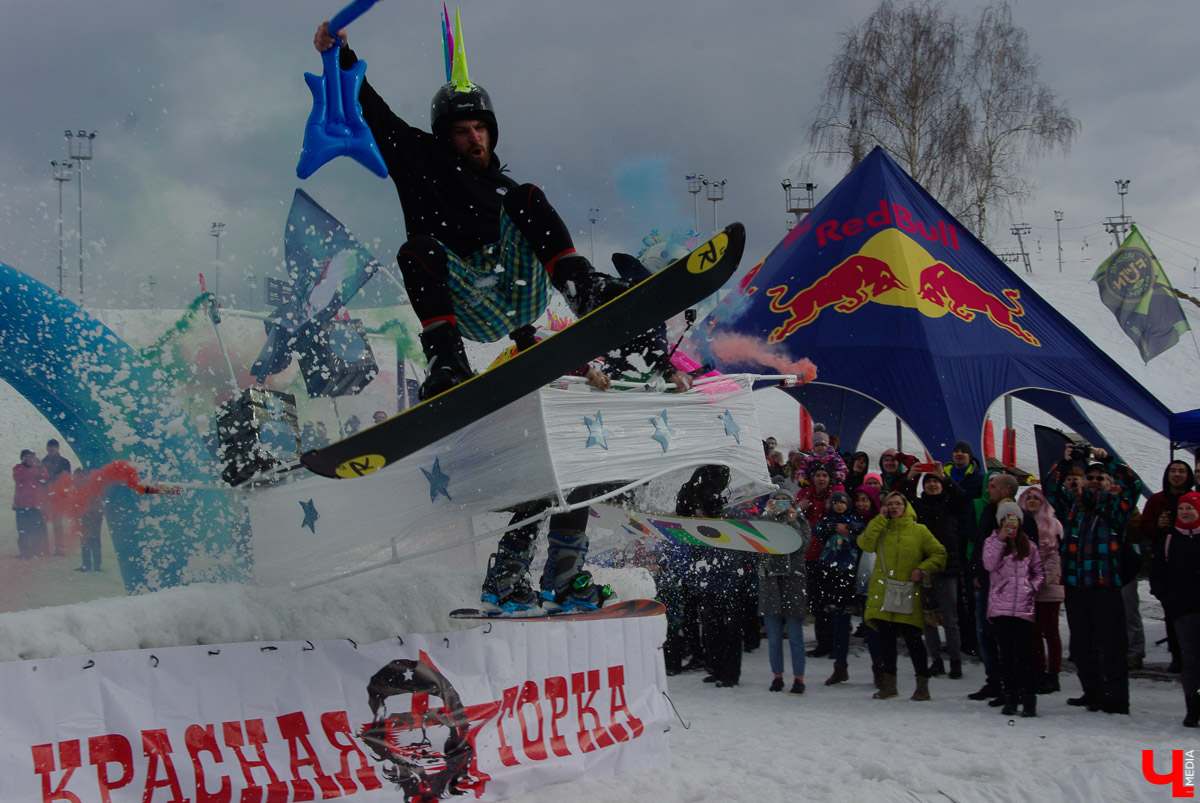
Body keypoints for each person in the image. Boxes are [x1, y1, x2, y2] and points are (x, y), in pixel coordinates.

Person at [312, 21, 690, 401]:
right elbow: (374, 112)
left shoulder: (505, 189)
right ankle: (448, 362)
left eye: (480, 128)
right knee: (417, 250)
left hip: (520, 285)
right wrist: (340, 53)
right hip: (470, 297)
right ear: (445, 136)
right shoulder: (421, 162)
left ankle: (584, 289)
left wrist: (660, 362)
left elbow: (533, 238)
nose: (474, 137)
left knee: (526, 197)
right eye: (462, 131)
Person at [1043, 446, 1143, 715]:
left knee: (1112, 645)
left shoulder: (1116, 506)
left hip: (1105, 586)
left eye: (1101, 478)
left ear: (1109, 482)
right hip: (1076, 586)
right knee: (1082, 645)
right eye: (1091, 477)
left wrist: (1108, 461)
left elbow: (1134, 484)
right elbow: (1051, 489)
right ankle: (1093, 692)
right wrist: (1065, 462)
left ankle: (1117, 699)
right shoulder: (1072, 506)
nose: (1095, 481)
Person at [858, 490, 947, 701]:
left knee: (914, 640)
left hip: (909, 593)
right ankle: (889, 686)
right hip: (883, 592)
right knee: (886, 641)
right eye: (890, 504)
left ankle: (922, 686)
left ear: (906, 507)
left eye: (898, 503)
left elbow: (940, 553)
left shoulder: (919, 530)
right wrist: (879, 519)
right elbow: (865, 544)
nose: (894, 507)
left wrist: (923, 569)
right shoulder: (881, 529)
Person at [966, 472, 1040, 705]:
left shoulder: (1023, 517)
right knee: (986, 637)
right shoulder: (989, 512)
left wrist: (1029, 587)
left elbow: (1033, 557)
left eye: (993, 486)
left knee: (1013, 645)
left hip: (1015, 593)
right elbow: (981, 545)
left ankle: (1015, 688)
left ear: (1006, 490)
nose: (988, 490)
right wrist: (976, 572)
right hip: (987, 583)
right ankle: (996, 683)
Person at [899, 466, 967, 679]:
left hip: (947, 568)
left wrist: (944, 477)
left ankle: (955, 660)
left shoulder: (950, 504)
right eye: (928, 481)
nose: (932, 484)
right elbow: (903, 498)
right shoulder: (920, 506)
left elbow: (961, 496)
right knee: (928, 618)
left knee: (950, 618)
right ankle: (936, 659)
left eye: (935, 481)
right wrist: (910, 477)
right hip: (925, 568)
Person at [983, 501, 1045, 717]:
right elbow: (989, 564)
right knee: (1006, 656)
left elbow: (1039, 572)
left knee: (1025, 656)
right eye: (1006, 520)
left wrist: (1031, 588)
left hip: (1023, 609)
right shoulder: (992, 542)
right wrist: (1001, 540)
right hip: (1001, 609)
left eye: (1014, 519)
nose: (1011, 524)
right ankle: (1010, 697)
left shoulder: (1029, 546)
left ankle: (1029, 699)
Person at [1149, 491, 1200, 727]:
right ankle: (1193, 708)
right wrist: (1168, 600)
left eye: (1190, 508)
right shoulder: (1169, 540)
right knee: (1191, 660)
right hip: (1183, 610)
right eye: (1182, 508)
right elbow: (1157, 574)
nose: (1186, 512)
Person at [1141, 459, 1195, 674]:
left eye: (1182, 471)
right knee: (1172, 613)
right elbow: (1145, 528)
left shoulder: (1194, 499)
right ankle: (1177, 656)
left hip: (1191, 563)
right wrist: (1157, 526)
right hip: (1165, 562)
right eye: (1173, 470)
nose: (1177, 474)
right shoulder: (1156, 500)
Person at [756, 490, 812, 695]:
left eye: (784, 501)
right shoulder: (764, 520)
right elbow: (757, 546)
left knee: (795, 636)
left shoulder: (800, 519)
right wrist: (768, 518)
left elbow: (803, 546)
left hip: (793, 581)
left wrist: (793, 522)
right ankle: (777, 676)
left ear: (791, 502)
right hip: (770, 582)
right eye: (776, 500)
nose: (780, 504)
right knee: (774, 638)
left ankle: (799, 678)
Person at [813, 490, 864, 685]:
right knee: (831, 614)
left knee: (843, 615)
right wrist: (834, 526)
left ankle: (841, 658)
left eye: (842, 502)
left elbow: (862, 530)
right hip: (829, 572)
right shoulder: (828, 521)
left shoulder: (854, 520)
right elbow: (818, 529)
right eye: (836, 503)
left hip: (848, 572)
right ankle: (837, 659)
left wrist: (850, 527)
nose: (839, 506)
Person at [1020, 485, 1064, 694]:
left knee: (1051, 632)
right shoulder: (1020, 524)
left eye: (1036, 498)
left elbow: (1055, 557)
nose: (1031, 501)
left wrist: (1038, 579)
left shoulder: (1053, 524)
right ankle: (1038, 670)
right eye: (1028, 497)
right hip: (1027, 587)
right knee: (1034, 633)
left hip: (1048, 586)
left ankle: (1053, 673)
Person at [12, 449, 49, 558]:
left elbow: (45, 477)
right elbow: (20, 476)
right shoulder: (18, 468)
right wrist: (29, 465)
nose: (28, 459)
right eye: (26, 457)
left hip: (34, 505)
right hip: (21, 506)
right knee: (22, 530)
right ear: (22, 458)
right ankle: (25, 552)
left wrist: (40, 466)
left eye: (30, 457)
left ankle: (35, 551)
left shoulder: (37, 468)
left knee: (35, 529)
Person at [42, 439, 71, 556]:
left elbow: (67, 479)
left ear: (58, 448)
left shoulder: (64, 462)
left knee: (57, 523)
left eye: (54, 446)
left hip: (59, 497)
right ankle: (44, 548)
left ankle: (59, 547)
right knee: (43, 522)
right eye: (50, 446)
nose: (52, 448)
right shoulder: (43, 462)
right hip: (46, 496)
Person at [72, 468, 104, 572]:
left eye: (77, 476)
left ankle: (92, 565)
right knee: (88, 539)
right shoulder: (79, 487)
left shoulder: (90, 487)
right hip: (89, 515)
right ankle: (91, 564)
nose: (75, 478)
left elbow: (92, 501)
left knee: (91, 539)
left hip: (92, 514)